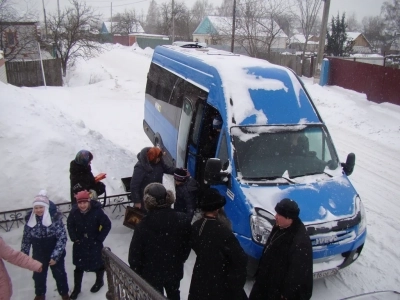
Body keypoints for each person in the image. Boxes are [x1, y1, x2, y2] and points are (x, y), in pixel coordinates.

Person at [128, 183, 191, 300]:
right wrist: (179, 259)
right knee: (174, 293)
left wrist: (138, 271)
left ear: (148, 202)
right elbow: (186, 245)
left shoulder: (143, 225)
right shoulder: (182, 219)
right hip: (174, 270)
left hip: (151, 273)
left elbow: (135, 255)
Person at [189, 188, 248, 300]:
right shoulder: (224, 231)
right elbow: (239, 259)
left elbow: (196, 246)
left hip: (200, 279)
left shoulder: (197, 226)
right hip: (221, 281)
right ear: (217, 209)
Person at [249, 198, 313, 300]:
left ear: (289, 218)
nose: (275, 217)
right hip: (266, 281)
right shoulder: (280, 226)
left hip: (277, 290)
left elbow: (298, 273)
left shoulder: (299, 241)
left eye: (279, 215)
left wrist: (287, 294)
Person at [21, 192, 69, 300]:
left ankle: (64, 294)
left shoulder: (55, 219)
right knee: (38, 277)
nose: (38, 210)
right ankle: (40, 295)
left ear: (46, 207)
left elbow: (62, 238)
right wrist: (24, 254)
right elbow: (26, 239)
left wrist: (55, 256)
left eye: (41, 207)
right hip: (39, 254)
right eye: (36, 207)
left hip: (54, 253)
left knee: (60, 275)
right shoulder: (31, 220)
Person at [67, 190, 112, 299]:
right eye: (80, 203)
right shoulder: (74, 212)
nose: (82, 205)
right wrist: (74, 238)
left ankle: (99, 281)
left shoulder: (97, 211)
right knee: (79, 266)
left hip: (94, 243)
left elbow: (107, 225)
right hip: (80, 243)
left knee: (98, 263)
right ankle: (77, 289)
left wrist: (99, 239)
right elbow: (70, 225)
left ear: (89, 202)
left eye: (84, 203)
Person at [130, 147, 177, 211]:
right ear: (152, 157)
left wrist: (178, 171)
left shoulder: (159, 162)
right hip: (145, 199)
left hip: (157, 195)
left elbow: (167, 169)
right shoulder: (140, 167)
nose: (159, 159)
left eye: (159, 158)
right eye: (157, 158)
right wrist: (137, 201)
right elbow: (134, 185)